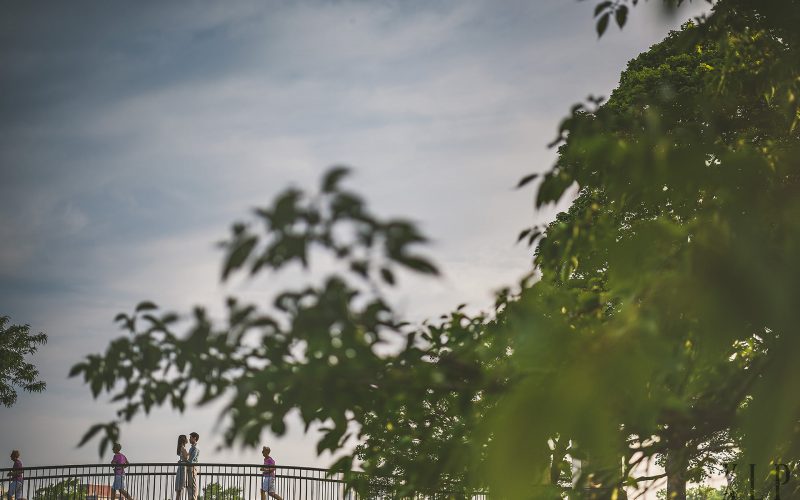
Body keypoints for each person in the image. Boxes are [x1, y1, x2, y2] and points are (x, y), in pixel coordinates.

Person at [175, 434, 189, 499]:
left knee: (179, 488)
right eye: (186, 438)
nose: (187, 439)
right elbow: (186, 458)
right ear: (184, 440)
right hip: (183, 468)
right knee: (180, 488)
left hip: (180, 467)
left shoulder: (181, 447)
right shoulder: (183, 448)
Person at [187, 432, 200, 500]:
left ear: (194, 438)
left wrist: (183, 462)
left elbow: (191, 460)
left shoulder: (195, 448)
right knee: (190, 485)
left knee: (193, 485)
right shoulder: (192, 447)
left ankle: (193, 498)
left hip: (192, 467)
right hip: (190, 467)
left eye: (190, 438)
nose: (189, 439)